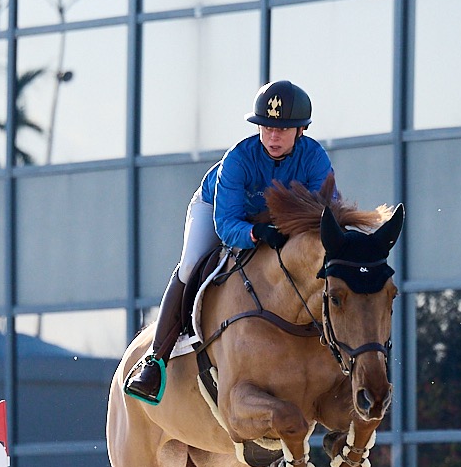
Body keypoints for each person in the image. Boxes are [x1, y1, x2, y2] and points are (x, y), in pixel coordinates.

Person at [122, 79, 334, 404]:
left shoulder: (315, 159)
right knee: (192, 263)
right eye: (266, 127)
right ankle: (155, 360)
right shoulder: (239, 158)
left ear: (301, 130)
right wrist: (255, 233)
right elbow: (226, 224)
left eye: (283, 129)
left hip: (280, 225)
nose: (273, 137)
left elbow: (324, 216)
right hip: (218, 211)